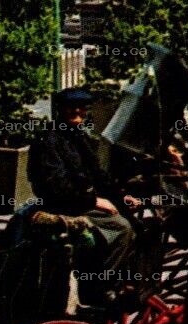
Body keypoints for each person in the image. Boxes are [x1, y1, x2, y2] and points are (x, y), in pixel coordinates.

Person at [26, 87, 139, 311]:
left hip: (79, 203)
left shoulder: (79, 138)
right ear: (60, 110)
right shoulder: (48, 141)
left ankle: (122, 280)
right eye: (71, 107)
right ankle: (97, 289)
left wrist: (122, 197)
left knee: (135, 222)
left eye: (81, 107)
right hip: (61, 206)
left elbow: (100, 177)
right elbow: (57, 188)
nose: (77, 111)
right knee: (122, 228)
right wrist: (93, 201)